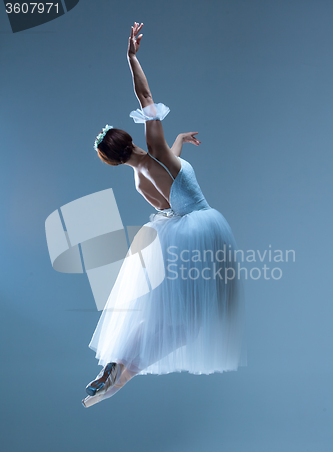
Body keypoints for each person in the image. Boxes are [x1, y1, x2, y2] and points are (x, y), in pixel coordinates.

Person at [82, 23, 246, 408]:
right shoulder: (157, 150)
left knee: (165, 316)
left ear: (112, 161)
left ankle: (118, 362)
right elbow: (145, 95)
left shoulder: (140, 181)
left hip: (177, 236)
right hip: (205, 228)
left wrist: (179, 142)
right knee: (190, 322)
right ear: (132, 137)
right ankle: (124, 374)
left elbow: (171, 195)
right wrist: (132, 57)